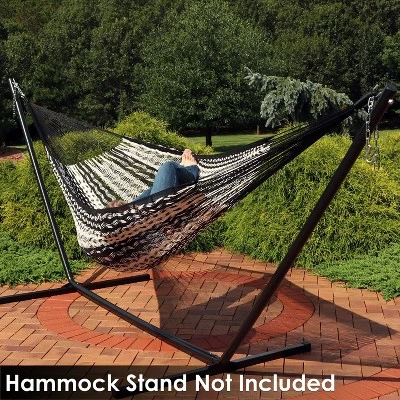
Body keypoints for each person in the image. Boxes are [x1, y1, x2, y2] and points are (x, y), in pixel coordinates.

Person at [108, 149, 200, 207]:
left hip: (142, 210)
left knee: (157, 185)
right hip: (158, 208)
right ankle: (189, 170)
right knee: (168, 166)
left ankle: (183, 171)